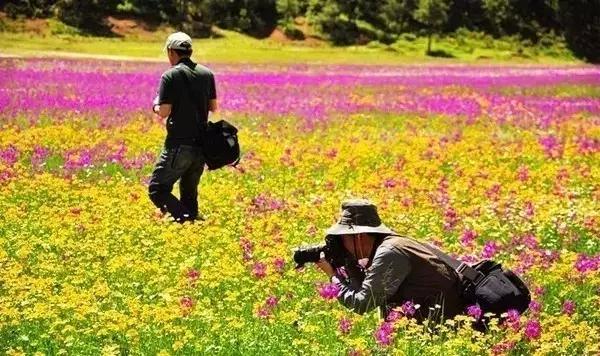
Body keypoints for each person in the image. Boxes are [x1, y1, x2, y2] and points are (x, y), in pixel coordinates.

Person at [315, 199, 465, 322]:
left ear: (359, 237)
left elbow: (362, 304)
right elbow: (366, 289)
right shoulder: (395, 243)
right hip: (439, 322)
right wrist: (349, 264)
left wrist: (332, 275)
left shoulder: (390, 252)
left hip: (443, 328)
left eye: (343, 239)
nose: (342, 245)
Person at [148, 32, 218, 223]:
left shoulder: (170, 76)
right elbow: (213, 107)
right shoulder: (207, 74)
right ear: (190, 51)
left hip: (179, 144)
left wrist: (155, 105)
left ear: (171, 51)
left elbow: (163, 111)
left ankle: (184, 218)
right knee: (189, 193)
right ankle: (192, 223)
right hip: (201, 146)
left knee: (157, 189)